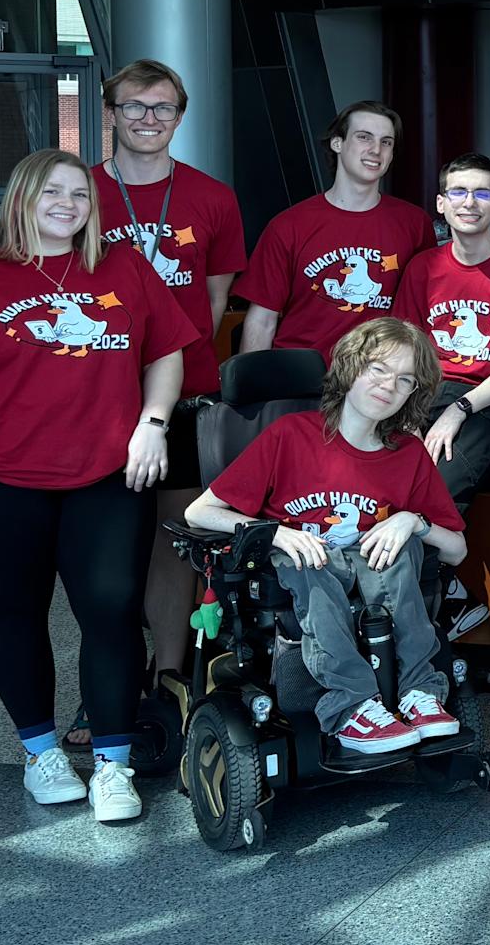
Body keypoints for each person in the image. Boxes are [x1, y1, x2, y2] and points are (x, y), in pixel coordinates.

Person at [0, 150, 195, 824]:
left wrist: (153, 426)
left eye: (80, 194)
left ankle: (114, 766)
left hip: (107, 474)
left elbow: (166, 354)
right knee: (16, 615)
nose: (68, 204)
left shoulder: (124, 270)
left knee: (113, 612)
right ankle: (41, 754)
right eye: (52, 192)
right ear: (22, 199)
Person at [184, 319, 468, 756]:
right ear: (351, 367)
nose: (388, 386)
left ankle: (419, 695)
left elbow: (457, 548)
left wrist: (413, 521)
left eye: (404, 379)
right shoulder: (290, 436)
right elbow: (198, 511)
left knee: (400, 548)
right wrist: (276, 532)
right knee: (304, 559)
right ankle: (352, 706)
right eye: (378, 369)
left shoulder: (408, 454)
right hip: (303, 566)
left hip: (373, 572)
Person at [89, 58, 250, 709]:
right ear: (110, 113)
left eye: (163, 109)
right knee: (104, 549)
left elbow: (213, 303)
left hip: (187, 396)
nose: (149, 120)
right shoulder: (82, 193)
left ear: (180, 118)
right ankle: (108, 680)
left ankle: (169, 678)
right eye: (135, 106)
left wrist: (171, 363)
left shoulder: (212, 197)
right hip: (98, 397)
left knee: (173, 535)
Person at [395, 153, 490, 505]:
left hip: (488, 401)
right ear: (441, 203)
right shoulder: (423, 268)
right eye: (458, 192)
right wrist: (406, 416)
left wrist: (459, 409)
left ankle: (429, 556)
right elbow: (404, 353)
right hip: (421, 394)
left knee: (443, 486)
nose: (469, 202)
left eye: (482, 194)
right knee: (385, 476)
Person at [234, 100, 430, 362]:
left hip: (377, 380)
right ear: (337, 144)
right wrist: (251, 390)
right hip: (300, 378)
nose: (375, 150)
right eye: (364, 137)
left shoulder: (414, 224)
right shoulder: (288, 225)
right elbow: (262, 319)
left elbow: (425, 314)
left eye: (386, 142)